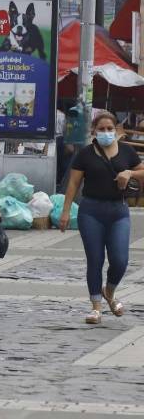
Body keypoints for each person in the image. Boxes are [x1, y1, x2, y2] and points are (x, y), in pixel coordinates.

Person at [60, 111, 144, 324]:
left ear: (116, 130)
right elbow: (73, 184)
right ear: (94, 132)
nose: (106, 132)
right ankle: (96, 306)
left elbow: (142, 170)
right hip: (91, 211)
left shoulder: (126, 151)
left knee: (120, 260)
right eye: (102, 129)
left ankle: (109, 290)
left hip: (118, 211)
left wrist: (130, 173)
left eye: (110, 129)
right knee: (95, 260)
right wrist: (66, 210)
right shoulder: (85, 154)